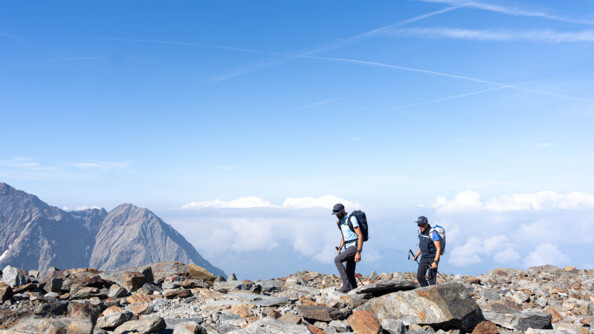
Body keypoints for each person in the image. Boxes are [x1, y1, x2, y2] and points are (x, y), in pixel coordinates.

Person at [332, 203, 363, 293]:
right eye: (336, 214)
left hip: (354, 247)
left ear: (343, 210)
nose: (337, 215)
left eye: (338, 213)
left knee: (337, 260)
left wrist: (358, 252)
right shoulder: (340, 221)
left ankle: (346, 286)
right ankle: (355, 290)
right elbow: (344, 236)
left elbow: (360, 235)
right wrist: (340, 248)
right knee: (350, 271)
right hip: (347, 247)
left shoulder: (351, 219)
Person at [412, 216, 441, 287]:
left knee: (431, 279)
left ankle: (435, 295)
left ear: (426, 224)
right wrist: (416, 255)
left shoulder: (433, 233)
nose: (420, 227)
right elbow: (421, 246)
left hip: (432, 257)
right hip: (424, 257)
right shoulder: (420, 232)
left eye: (421, 225)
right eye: (418, 225)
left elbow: (438, 249)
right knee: (420, 277)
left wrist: (435, 262)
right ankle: (427, 290)